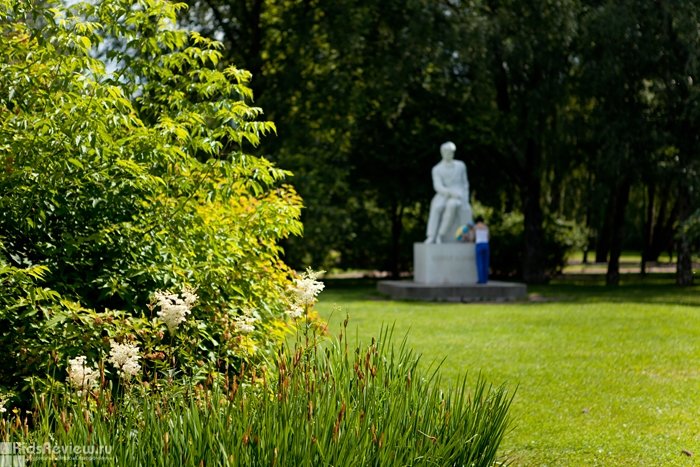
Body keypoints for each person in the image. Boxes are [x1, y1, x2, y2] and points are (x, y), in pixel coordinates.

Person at [425, 141, 473, 243]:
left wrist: (465, 197)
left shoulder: (460, 166)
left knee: (454, 205)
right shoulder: (437, 169)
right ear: (442, 153)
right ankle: (432, 235)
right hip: (444, 194)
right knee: (437, 207)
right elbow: (437, 186)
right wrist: (450, 193)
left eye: (451, 152)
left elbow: (465, 183)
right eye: (447, 152)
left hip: (459, 195)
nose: (449, 154)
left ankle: (441, 234)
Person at [474, 216, 489, 284]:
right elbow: (488, 237)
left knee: (480, 263)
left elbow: (472, 237)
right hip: (486, 244)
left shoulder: (476, 226)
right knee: (485, 263)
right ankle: (485, 280)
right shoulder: (486, 227)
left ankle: (481, 280)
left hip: (479, 244)